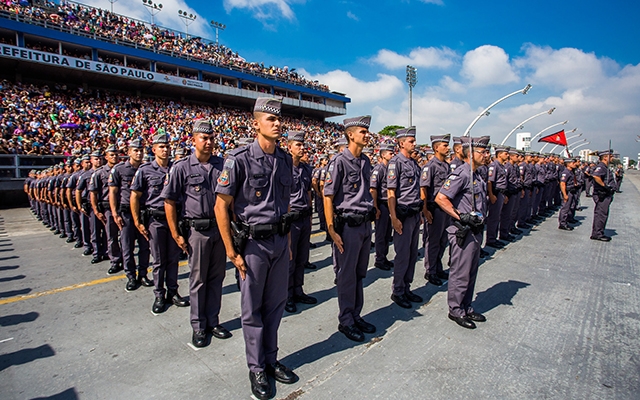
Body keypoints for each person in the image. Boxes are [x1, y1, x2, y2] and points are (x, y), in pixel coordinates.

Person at [214, 97, 297, 400]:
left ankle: (271, 359)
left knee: (276, 305)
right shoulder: (238, 159)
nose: (277, 124)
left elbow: (284, 205)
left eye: (279, 119)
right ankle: (256, 367)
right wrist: (230, 251)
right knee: (253, 310)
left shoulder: (285, 160)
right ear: (256, 124)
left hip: (278, 241)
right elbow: (221, 207)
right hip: (251, 245)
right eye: (270, 119)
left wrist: (286, 242)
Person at [163, 119, 231, 348]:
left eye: (212, 138)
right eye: (204, 138)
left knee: (216, 278)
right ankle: (198, 326)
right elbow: (170, 201)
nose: (209, 142)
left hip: (219, 230)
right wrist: (175, 233)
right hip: (197, 232)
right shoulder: (182, 167)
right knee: (198, 280)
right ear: (193, 140)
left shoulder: (222, 165)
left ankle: (213, 321)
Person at [323, 115, 377, 343]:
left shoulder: (365, 161)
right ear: (350, 135)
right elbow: (328, 196)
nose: (367, 135)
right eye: (362, 132)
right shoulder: (339, 161)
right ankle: (345, 320)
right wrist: (331, 230)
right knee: (346, 276)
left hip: (364, 224)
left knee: (359, 273)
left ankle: (356, 314)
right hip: (348, 227)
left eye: (367, 131)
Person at [435, 136, 490, 329]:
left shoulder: (478, 174)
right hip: (463, 231)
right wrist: (460, 216)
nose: (486, 155)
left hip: (475, 229)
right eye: (483, 152)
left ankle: (467, 306)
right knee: (460, 273)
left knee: (471, 271)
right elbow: (441, 198)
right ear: (471, 153)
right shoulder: (461, 174)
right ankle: (456, 310)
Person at [132, 133, 189, 314]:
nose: (165, 150)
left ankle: (173, 291)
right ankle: (159, 294)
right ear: (153, 149)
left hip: (174, 220)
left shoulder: (176, 168)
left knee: (173, 258)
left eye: (167, 147)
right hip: (155, 220)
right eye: (161, 147)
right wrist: (137, 221)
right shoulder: (145, 170)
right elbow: (135, 196)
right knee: (158, 260)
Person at [387, 127, 423, 309]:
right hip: (403, 215)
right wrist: (393, 217)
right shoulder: (396, 163)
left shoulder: (414, 164)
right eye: (411, 141)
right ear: (402, 143)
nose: (414, 144)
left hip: (415, 214)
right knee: (402, 255)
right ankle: (398, 291)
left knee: (412, 254)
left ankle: (407, 287)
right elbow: (391, 191)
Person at [109, 139, 152, 291]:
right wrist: (115, 213)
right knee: (127, 246)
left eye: (141, 150)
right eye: (135, 150)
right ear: (128, 152)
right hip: (126, 213)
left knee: (145, 246)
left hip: (143, 212)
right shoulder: (120, 169)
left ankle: (143, 274)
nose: (139, 153)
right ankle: (131, 276)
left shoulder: (147, 168)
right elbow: (113, 192)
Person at [284, 131, 317, 314]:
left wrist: (311, 218)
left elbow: (309, 193)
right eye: (298, 145)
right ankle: (287, 295)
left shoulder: (306, 169)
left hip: (304, 217)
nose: (302, 148)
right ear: (289, 147)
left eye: (303, 145)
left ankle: (298, 290)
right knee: (290, 259)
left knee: (301, 258)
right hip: (292, 219)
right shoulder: (284, 167)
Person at [90, 145, 123, 273]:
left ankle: (126, 260)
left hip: (122, 206)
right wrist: (96, 210)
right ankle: (115, 260)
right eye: (111, 154)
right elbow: (93, 193)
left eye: (116, 154)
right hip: (108, 208)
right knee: (111, 236)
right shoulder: (99, 173)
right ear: (106, 157)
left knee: (125, 238)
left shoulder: (122, 169)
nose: (114, 157)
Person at [371, 143, 394, 271]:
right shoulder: (378, 169)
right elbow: (373, 189)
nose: (392, 155)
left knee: (387, 234)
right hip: (381, 204)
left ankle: (384, 257)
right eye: (390, 153)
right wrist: (375, 207)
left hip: (389, 204)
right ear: (383, 155)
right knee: (380, 234)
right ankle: (379, 259)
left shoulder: (390, 168)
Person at [485, 145, 509, 248]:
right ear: (499, 154)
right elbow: (490, 181)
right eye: (506, 153)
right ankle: (490, 239)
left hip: (501, 193)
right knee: (493, 217)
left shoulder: (501, 166)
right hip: (496, 193)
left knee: (497, 217)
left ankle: (493, 238)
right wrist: (491, 194)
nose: (507, 155)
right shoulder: (494, 165)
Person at [590, 150, 617, 241]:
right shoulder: (601, 167)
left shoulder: (605, 167)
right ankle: (597, 234)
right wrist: (605, 186)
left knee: (602, 214)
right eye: (611, 156)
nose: (612, 158)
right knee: (601, 214)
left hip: (606, 194)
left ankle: (599, 232)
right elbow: (596, 176)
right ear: (605, 157)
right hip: (602, 194)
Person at [75, 155, 96, 257]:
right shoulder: (83, 175)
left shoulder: (100, 172)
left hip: (98, 203)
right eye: (86, 162)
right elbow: (77, 191)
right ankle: (87, 246)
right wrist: (79, 205)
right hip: (87, 202)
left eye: (89, 162)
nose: (88, 164)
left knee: (96, 229)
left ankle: (100, 249)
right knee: (85, 227)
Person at [558, 158, 578, 231]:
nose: (574, 164)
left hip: (571, 191)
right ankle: (562, 223)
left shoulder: (571, 172)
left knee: (569, 207)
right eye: (573, 163)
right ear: (568, 164)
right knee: (565, 208)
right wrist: (565, 194)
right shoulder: (566, 172)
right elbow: (562, 184)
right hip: (567, 192)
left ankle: (566, 221)